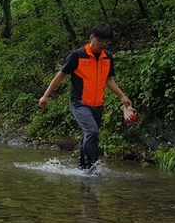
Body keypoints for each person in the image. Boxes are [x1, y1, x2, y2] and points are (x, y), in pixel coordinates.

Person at [38, 23, 132, 172]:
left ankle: (83, 169)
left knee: (88, 135)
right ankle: (92, 168)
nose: (103, 44)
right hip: (79, 102)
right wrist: (46, 95)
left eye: (107, 42)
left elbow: (109, 80)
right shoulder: (77, 55)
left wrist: (122, 96)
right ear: (91, 37)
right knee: (92, 131)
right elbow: (61, 75)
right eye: (100, 41)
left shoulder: (107, 57)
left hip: (98, 104)